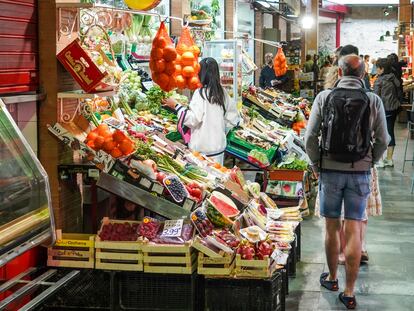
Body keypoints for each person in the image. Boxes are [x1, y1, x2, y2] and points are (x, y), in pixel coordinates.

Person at [305, 54, 389, 309]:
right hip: (359, 172)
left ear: (339, 74)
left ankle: (331, 278)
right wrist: (370, 161)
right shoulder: (373, 100)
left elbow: (310, 137)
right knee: (353, 228)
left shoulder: (324, 97)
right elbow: (383, 139)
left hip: (330, 171)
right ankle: (350, 292)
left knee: (332, 227)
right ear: (363, 75)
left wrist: (316, 164)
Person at [163, 57, 240, 165]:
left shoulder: (200, 93)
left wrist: (176, 106)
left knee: (206, 179)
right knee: (218, 178)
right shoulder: (222, 93)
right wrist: (219, 131)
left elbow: (193, 119)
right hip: (218, 148)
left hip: (202, 151)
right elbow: (232, 118)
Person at [374, 58, 401, 167]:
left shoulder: (379, 80)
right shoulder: (394, 78)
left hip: (382, 109)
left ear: (382, 69)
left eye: (377, 68)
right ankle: (389, 159)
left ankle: (380, 160)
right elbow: (399, 91)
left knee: (379, 133)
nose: (376, 70)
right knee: (390, 132)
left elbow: (376, 97)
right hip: (394, 109)